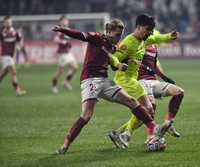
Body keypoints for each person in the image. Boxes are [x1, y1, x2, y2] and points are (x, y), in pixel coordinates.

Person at [53, 19, 163, 154]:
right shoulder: (97, 38)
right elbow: (79, 35)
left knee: (131, 101)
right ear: (108, 32)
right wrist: (62, 30)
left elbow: (113, 63)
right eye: (117, 35)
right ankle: (65, 144)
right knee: (86, 115)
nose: (119, 38)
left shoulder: (112, 47)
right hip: (90, 80)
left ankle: (153, 127)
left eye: (121, 35)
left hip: (104, 81)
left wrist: (120, 65)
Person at [108, 15, 179, 148]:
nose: (150, 33)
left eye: (151, 30)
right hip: (125, 80)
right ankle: (131, 135)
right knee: (148, 108)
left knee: (148, 109)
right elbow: (113, 59)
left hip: (132, 81)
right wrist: (122, 62)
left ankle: (120, 133)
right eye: (148, 29)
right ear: (139, 27)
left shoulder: (143, 39)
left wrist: (170, 36)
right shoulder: (128, 42)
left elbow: (157, 37)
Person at [117, 40, 184, 144]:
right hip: (139, 82)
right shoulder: (134, 43)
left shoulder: (154, 46)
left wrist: (164, 77)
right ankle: (150, 136)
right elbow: (120, 57)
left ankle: (168, 123)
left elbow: (155, 64)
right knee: (150, 106)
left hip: (153, 81)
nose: (151, 33)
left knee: (179, 92)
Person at [0, 16, 26, 96]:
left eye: (9, 22)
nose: (8, 23)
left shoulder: (15, 33)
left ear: (11, 22)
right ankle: (18, 91)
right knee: (13, 72)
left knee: (4, 73)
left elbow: (20, 43)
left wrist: (19, 47)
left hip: (11, 56)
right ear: (4, 23)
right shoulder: (2, 33)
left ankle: (17, 91)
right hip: (5, 55)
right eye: (6, 22)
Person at [51, 15, 78, 93]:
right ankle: (54, 86)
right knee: (60, 71)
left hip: (67, 52)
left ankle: (66, 82)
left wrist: (69, 44)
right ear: (60, 22)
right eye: (64, 20)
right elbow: (55, 39)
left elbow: (69, 39)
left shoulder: (68, 30)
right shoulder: (60, 30)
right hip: (62, 53)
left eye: (67, 20)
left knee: (75, 67)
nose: (66, 22)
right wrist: (64, 42)